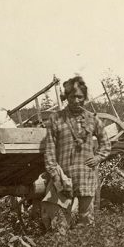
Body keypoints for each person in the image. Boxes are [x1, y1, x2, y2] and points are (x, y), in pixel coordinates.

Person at [44, 76, 111, 231]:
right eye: (72, 96)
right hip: (64, 175)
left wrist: (98, 158)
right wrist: (54, 173)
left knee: (86, 219)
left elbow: (106, 143)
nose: (76, 100)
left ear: (84, 98)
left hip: (85, 174)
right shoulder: (56, 118)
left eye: (80, 97)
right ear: (66, 97)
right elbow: (50, 149)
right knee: (60, 220)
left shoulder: (92, 119)